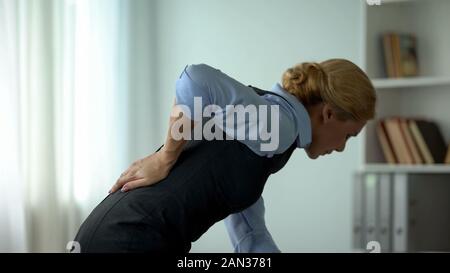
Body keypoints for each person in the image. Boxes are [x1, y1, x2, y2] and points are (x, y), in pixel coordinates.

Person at [74, 59, 376, 253]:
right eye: (349, 136)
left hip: (113, 233)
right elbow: (195, 78)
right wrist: (165, 157)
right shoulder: (279, 127)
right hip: (131, 238)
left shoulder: (270, 135)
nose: (340, 148)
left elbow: (250, 234)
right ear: (328, 113)